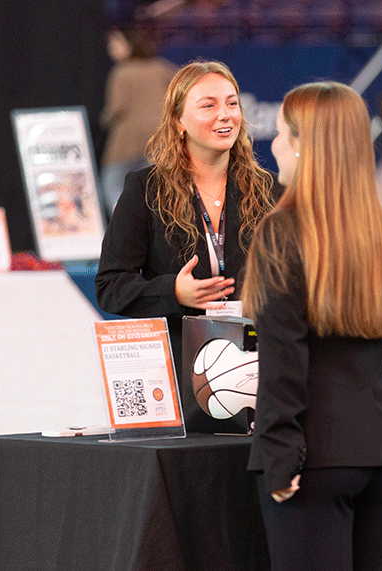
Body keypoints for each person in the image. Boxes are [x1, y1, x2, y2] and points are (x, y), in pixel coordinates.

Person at [241, 81, 382, 571]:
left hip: (313, 460)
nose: (272, 145)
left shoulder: (282, 231)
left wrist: (279, 453)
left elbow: (283, 358)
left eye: (279, 134)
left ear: (303, 144)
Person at [95, 60, 280, 385]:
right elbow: (111, 286)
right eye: (208, 105)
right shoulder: (146, 189)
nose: (225, 114)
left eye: (232, 103)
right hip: (180, 374)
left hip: (261, 373)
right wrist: (174, 292)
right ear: (178, 120)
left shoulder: (271, 191)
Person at [99, 25, 178, 213]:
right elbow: (187, 84)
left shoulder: (121, 72)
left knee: (112, 183)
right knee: (153, 188)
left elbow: (117, 108)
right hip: (160, 138)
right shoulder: (160, 67)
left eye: (116, 42)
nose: (111, 48)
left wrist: (104, 118)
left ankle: (124, 227)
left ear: (130, 44)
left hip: (127, 141)